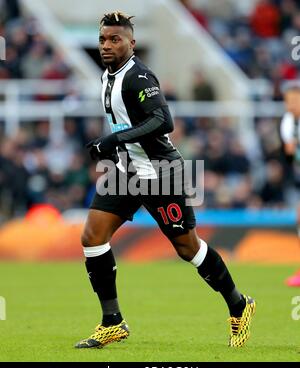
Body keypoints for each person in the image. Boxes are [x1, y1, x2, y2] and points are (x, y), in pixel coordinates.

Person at [75, 11, 255, 349]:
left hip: (161, 173)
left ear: (132, 42)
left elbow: (164, 120)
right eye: (102, 40)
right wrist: (114, 149)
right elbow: (124, 126)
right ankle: (112, 321)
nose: (106, 46)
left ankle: (239, 305)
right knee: (92, 236)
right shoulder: (107, 77)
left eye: (115, 39)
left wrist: (114, 140)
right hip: (127, 172)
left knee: (188, 248)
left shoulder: (139, 77)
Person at [280, 80, 300, 287]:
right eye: (288, 100)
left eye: (295, 99)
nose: (291, 104)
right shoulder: (288, 122)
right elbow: (289, 157)